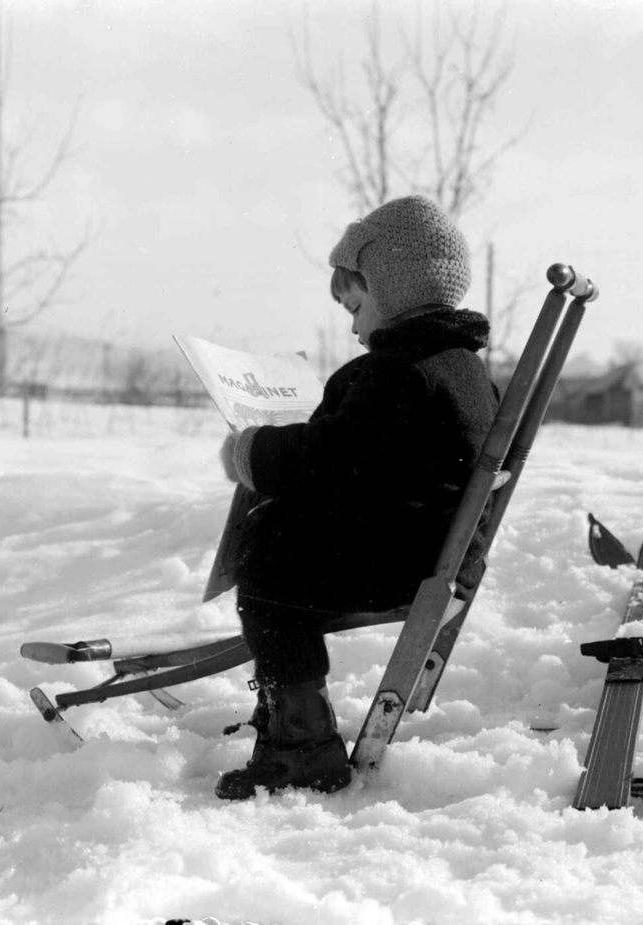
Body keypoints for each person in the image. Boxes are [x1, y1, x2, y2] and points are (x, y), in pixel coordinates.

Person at [215, 194, 499, 800]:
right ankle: (290, 714)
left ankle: (301, 744)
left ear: (391, 287)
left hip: (400, 563)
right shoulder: (458, 366)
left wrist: (251, 451)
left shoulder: (398, 373)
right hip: (433, 549)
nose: (351, 324)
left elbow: (326, 461)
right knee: (280, 543)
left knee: (266, 567)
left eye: (356, 303)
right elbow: (369, 466)